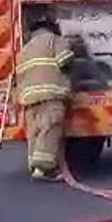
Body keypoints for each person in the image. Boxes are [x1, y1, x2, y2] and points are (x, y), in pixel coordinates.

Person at [18, 10, 75, 181]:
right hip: (51, 94)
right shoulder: (55, 40)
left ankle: (35, 166)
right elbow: (64, 60)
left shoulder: (25, 49)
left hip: (30, 98)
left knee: (35, 132)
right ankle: (44, 168)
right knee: (50, 129)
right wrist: (75, 51)